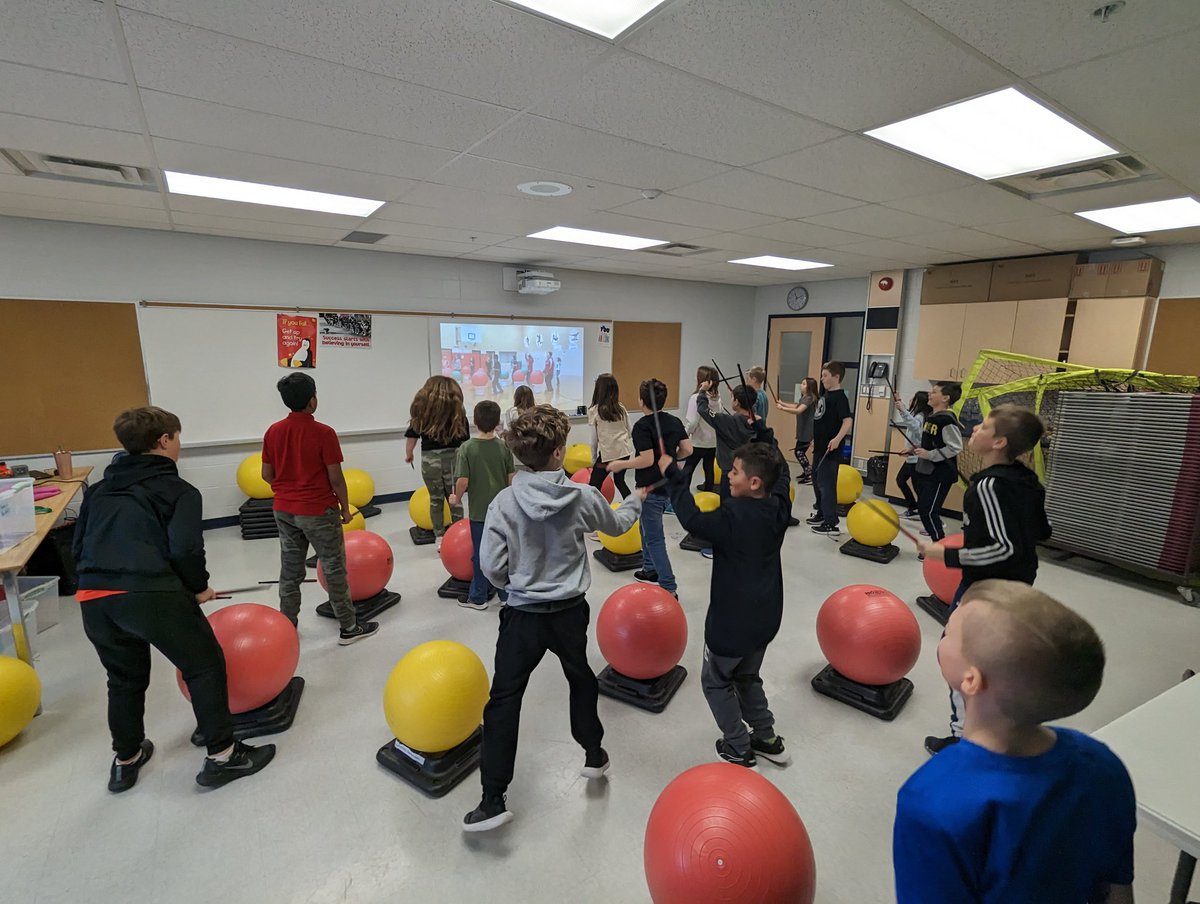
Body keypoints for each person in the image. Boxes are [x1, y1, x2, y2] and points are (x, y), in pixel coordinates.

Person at [893, 580, 1134, 904]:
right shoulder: (1104, 765)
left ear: (971, 679)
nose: (943, 634)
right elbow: (1116, 890)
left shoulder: (931, 799)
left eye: (948, 631)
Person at [74, 406, 275, 792]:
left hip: (93, 596)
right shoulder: (179, 490)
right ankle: (222, 757)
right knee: (204, 665)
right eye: (177, 437)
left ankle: (126, 759)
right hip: (149, 593)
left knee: (123, 679)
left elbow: (80, 545)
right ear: (164, 441)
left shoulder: (99, 490)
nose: (178, 444)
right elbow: (184, 550)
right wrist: (198, 588)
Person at [464, 405, 643, 832]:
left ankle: (492, 800)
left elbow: (490, 565)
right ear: (559, 453)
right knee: (580, 678)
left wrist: (515, 585)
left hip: (521, 616)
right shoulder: (583, 497)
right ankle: (594, 756)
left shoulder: (504, 502)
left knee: (504, 699)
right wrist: (636, 500)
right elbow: (617, 526)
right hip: (568, 613)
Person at [919, 404, 1053, 754]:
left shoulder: (988, 486)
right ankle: (989, 732)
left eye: (984, 427)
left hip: (989, 588)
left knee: (958, 658)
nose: (974, 429)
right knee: (988, 661)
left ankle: (966, 740)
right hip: (1018, 586)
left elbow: (1003, 549)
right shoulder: (1025, 478)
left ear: (1000, 442)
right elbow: (1041, 530)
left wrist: (942, 554)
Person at [662, 441, 792, 768]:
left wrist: (675, 479)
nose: (728, 476)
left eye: (734, 472)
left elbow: (691, 519)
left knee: (715, 681)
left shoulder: (731, 515)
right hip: (766, 618)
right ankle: (766, 736)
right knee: (747, 676)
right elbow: (785, 476)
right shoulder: (779, 507)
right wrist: (765, 438)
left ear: (755, 482)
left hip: (731, 623)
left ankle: (738, 745)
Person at [263, 373, 379, 644]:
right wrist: (345, 509)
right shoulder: (323, 433)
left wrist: (287, 488)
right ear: (312, 401)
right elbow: (336, 478)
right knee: (334, 568)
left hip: (284, 510)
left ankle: (287, 626)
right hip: (317, 511)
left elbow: (267, 474)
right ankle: (349, 628)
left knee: (290, 572)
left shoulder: (273, 431)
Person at [608, 379, 693, 596]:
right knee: (645, 528)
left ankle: (668, 586)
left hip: (650, 489)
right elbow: (688, 449)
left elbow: (646, 460)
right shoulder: (674, 421)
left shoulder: (642, 426)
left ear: (641, 400)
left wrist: (621, 464)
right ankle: (649, 569)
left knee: (654, 538)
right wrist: (672, 460)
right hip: (668, 486)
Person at [450, 400, 516, 611]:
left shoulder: (467, 448)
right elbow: (511, 478)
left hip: (480, 512)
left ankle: (478, 597)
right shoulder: (503, 446)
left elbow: (463, 481)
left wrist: (457, 499)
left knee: (480, 553)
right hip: (502, 510)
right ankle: (505, 594)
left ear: (474, 422)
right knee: (503, 550)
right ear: (497, 422)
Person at [405, 375, 470, 549]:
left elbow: (412, 436)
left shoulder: (422, 411)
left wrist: (409, 454)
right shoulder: (458, 412)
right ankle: (459, 533)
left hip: (430, 459)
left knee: (435, 499)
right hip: (454, 458)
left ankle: (439, 536)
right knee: (455, 498)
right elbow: (466, 441)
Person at [906, 380, 962, 542]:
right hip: (926, 470)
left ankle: (939, 544)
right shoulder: (931, 417)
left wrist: (929, 455)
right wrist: (913, 448)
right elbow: (930, 442)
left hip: (940, 474)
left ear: (945, 398)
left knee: (929, 511)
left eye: (935, 392)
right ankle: (937, 543)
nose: (930, 394)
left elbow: (954, 447)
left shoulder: (946, 420)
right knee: (924, 509)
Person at [808, 362, 853, 536]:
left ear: (836, 377)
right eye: (822, 375)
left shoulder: (840, 398)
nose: (822, 378)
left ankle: (831, 522)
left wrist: (837, 439)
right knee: (817, 480)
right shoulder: (826, 396)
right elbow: (822, 420)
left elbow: (847, 420)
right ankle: (821, 512)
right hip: (819, 447)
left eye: (825, 375)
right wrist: (814, 438)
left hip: (830, 449)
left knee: (827, 484)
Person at [696, 380, 761, 498]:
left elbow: (703, 409)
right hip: (749, 473)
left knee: (728, 507)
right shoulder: (757, 422)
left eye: (732, 398)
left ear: (736, 402)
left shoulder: (728, 422)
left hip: (730, 474)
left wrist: (702, 391)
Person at [587, 373, 634, 499]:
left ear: (598, 390)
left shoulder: (594, 411)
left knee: (594, 484)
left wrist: (593, 459)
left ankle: (593, 511)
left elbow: (593, 441)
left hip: (607, 456)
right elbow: (630, 431)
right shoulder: (621, 408)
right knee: (620, 481)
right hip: (624, 453)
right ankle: (634, 508)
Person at [892, 390, 932, 519]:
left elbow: (914, 426)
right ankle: (913, 507)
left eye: (913, 399)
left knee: (918, 488)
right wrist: (899, 402)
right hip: (911, 457)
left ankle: (927, 514)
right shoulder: (918, 414)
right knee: (901, 480)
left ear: (918, 402)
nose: (911, 401)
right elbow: (910, 418)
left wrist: (902, 409)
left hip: (916, 458)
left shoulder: (921, 416)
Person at [684, 366, 723, 492]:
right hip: (712, 442)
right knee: (709, 467)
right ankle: (709, 492)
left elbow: (692, 422)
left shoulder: (696, 398)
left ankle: (682, 497)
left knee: (688, 469)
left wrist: (683, 437)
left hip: (698, 442)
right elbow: (719, 416)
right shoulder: (717, 397)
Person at [774, 376, 818, 484]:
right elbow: (796, 406)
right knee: (799, 452)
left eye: (804, 384)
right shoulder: (804, 398)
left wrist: (782, 408)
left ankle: (809, 473)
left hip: (808, 431)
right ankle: (807, 471)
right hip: (803, 430)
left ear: (809, 387)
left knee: (799, 452)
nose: (801, 385)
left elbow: (798, 410)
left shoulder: (809, 398)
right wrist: (782, 402)